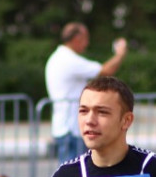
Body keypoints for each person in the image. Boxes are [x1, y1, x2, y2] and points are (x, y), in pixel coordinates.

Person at [45, 22, 127, 164]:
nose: (87, 42)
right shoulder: (68, 59)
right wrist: (120, 54)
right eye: (85, 38)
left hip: (65, 126)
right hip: (71, 128)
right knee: (75, 176)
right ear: (76, 38)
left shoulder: (59, 57)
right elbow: (105, 71)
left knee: (72, 173)